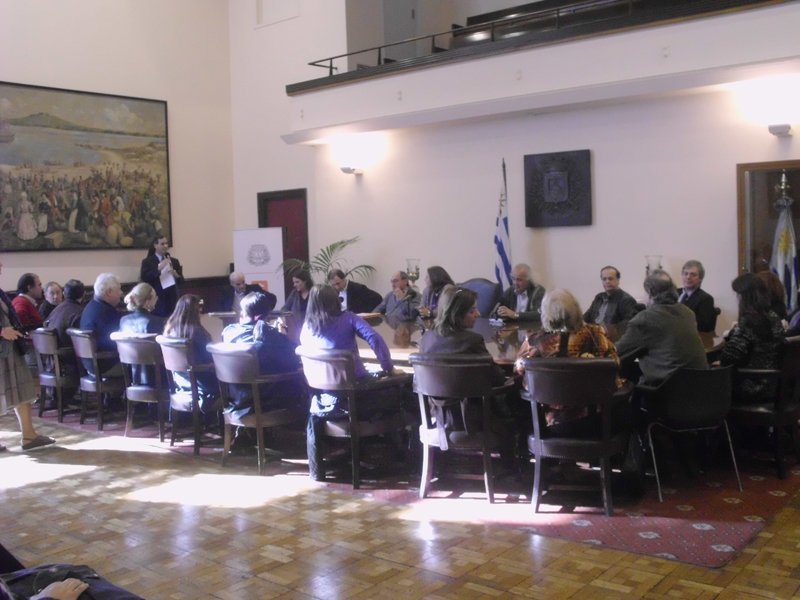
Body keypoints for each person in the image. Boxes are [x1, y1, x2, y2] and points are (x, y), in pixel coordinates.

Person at [299, 284, 406, 480]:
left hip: (324, 402)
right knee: (403, 388)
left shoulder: (306, 328)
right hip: (357, 400)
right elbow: (374, 338)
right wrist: (388, 368)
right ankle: (402, 455)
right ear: (336, 300)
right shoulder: (348, 318)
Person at [515, 289, 623, 432]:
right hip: (596, 422)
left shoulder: (534, 341)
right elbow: (615, 363)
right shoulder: (595, 334)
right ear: (576, 310)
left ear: (545, 314)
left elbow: (519, 369)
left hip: (549, 426)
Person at [221, 291, 302, 428]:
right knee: (301, 379)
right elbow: (293, 361)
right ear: (259, 317)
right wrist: (282, 336)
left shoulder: (228, 332)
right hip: (262, 403)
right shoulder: (269, 336)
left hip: (235, 400)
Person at [615, 269, 708, 387]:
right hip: (701, 387)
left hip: (666, 390)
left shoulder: (645, 319)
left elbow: (616, 354)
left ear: (650, 293)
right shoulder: (688, 312)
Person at [0, 259, 56, 452]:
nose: (1, 267)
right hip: (3, 347)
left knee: (23, 390)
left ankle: (29, 435)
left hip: (11, 348)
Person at [719, 273, 785, 403]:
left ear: (745, 297)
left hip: (752, 387)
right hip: (773, 384)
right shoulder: (773, 316)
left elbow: (729, 357)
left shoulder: (750, 321)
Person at [162, 294, 219, 415]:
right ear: (196, 311)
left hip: (180, 383)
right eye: (200, 310)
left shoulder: (170, 330)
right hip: (201, 385)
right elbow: (209, 357)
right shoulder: (196, 331)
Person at [79, 273, 123, 376]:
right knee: (143, 363)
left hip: (91, 365)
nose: (121, 293)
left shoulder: (91, 306)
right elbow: (114, 342)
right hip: (105, 366)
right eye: (119, 290)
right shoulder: (105, 312)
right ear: (109, 292)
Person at [582, 265, 640, 330]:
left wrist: (605, 330)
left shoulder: (626, 300)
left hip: (611, 335)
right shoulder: (598, 297)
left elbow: (628, 325)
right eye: (604, 279)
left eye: (610, 278)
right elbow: (587, 317)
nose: (607, 281)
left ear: (618, 280)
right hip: (594, 333)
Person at [139, 235, 183, 317]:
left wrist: (176, 275)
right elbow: (145, 278)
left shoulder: (174, 261)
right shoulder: (147, 261)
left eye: (166, 243)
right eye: (162, 244)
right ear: (155, 245)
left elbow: (181, 281)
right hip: (157, 300)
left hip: (173, 299)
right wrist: (158, 269)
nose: (165, 246)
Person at [677, 259, 717, 332]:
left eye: (693, 275)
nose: (688, 277)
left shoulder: (706, 299)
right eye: (685, 274)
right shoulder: (673, 293)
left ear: (700, 278)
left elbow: (704, 326)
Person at [44, 279, 86, 348]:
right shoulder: (80, 313)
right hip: (69, 352)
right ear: (84, 294)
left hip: (52, 351)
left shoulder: (56, 309)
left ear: (64, 293)